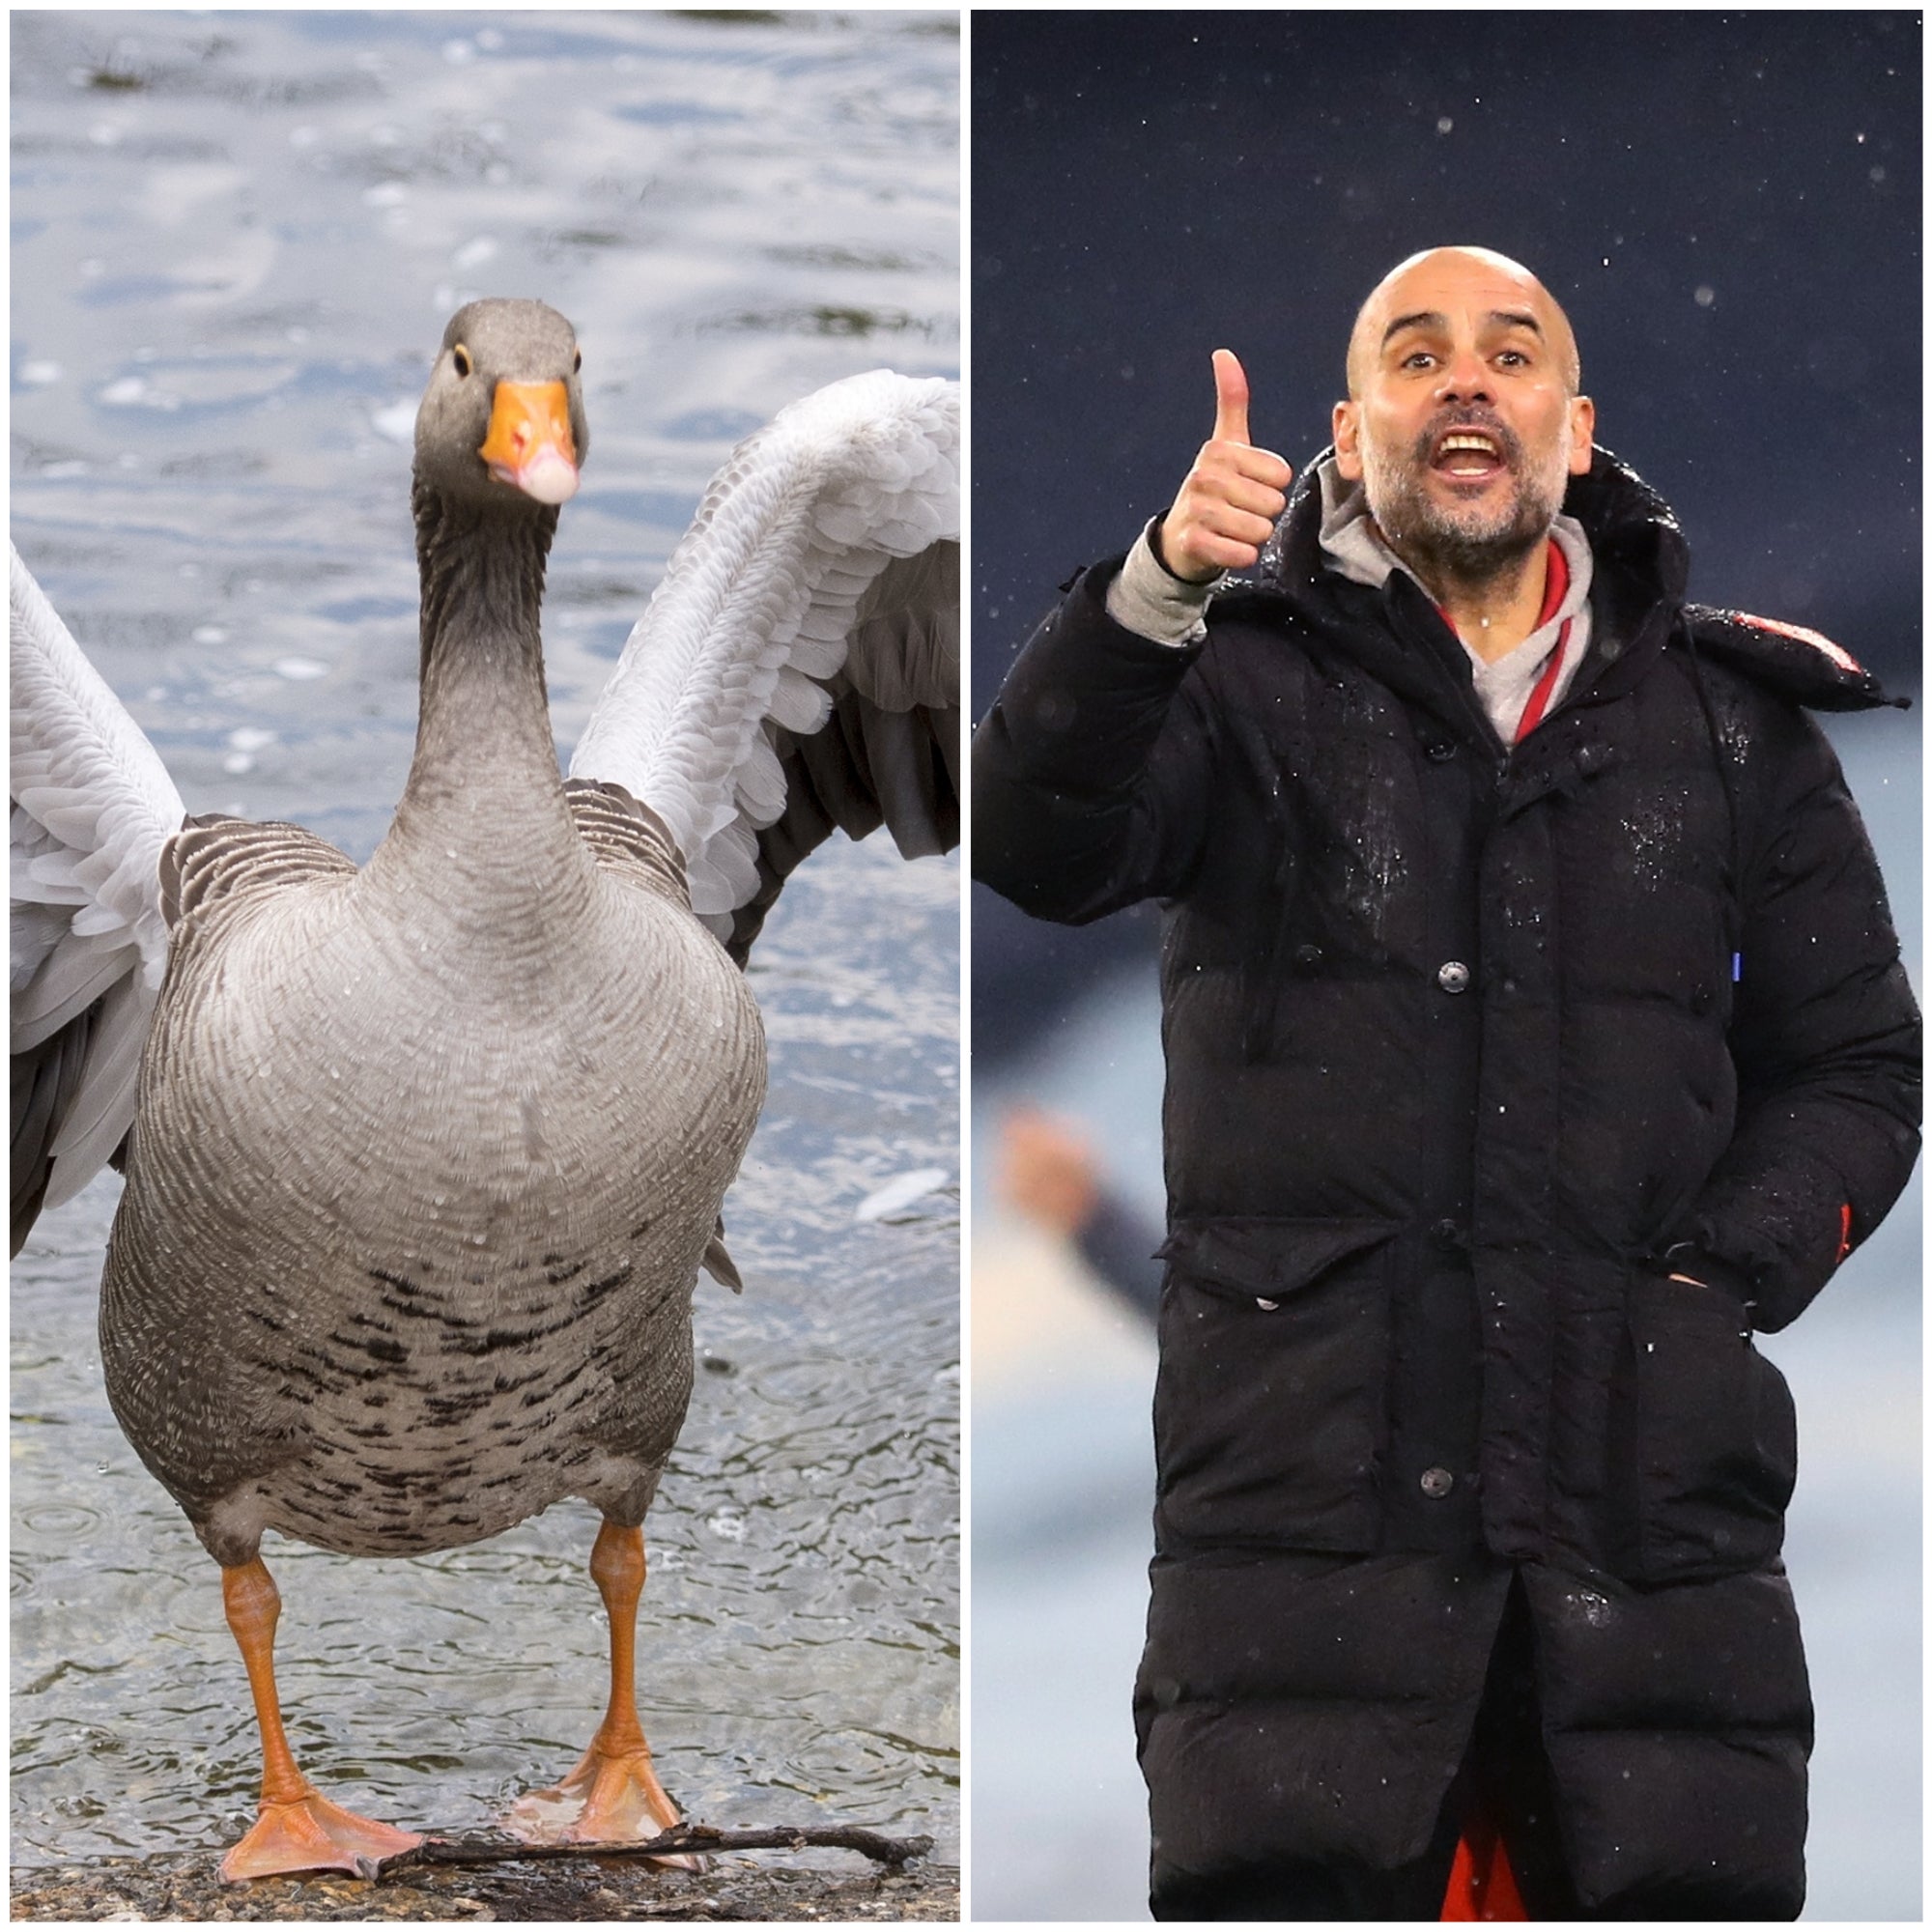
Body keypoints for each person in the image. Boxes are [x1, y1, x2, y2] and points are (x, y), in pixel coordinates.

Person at [972, 246, 1920, 1920]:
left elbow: (1857, 1068)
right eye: (1418, 358)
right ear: (1350, 430)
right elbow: (1039, 843)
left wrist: (1715, 1283)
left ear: (1576, 422)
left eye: (1511, 353)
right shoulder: (1225, 684)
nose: (1466, 381)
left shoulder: (1731, 732)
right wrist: (1146, 598)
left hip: (1650, 1566)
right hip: (1303, 1569)